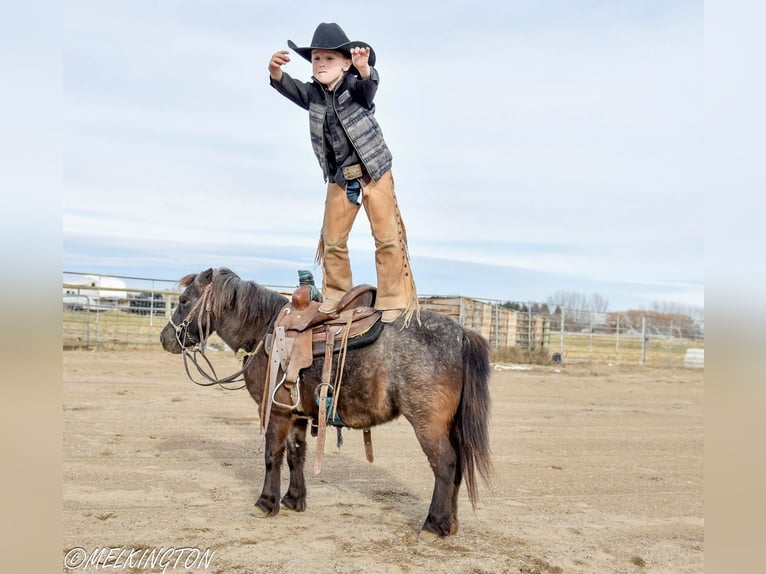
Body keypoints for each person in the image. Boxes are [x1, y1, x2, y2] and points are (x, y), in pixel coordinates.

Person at [268, 22, 419, 326]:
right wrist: (275, 73)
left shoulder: (354, 88)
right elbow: (290, 86)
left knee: (387, 236)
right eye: (316, 59)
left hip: (373, 171)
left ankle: (393, 298)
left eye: (329, 59)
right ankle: (336, 295)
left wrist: (364, 71)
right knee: (333, 240)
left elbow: (368, 89)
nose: (321, 64)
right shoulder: (313, 95)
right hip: (340, 177)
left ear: (346, 63)